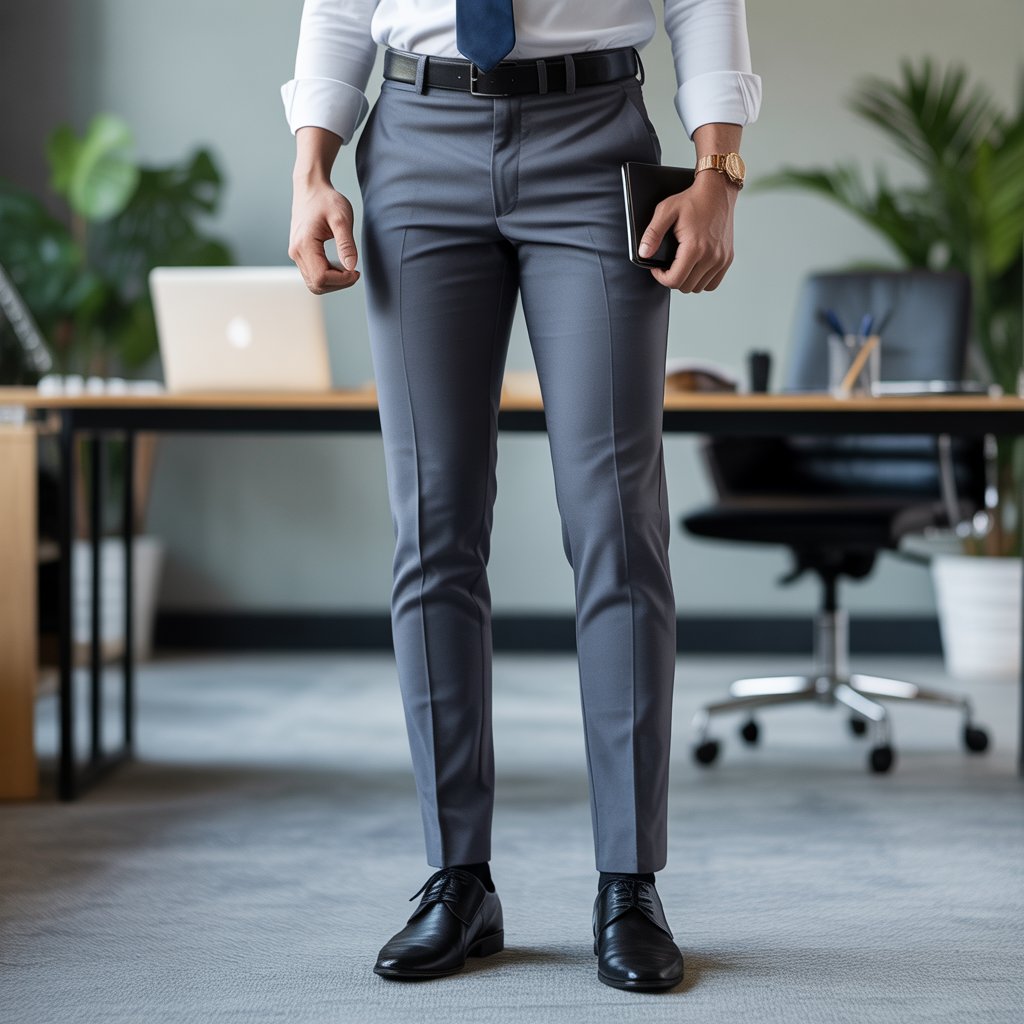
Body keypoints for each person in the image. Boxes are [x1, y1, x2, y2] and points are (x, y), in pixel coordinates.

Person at [282, 0, 761, 992]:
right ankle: (456, 880)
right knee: (432, 526)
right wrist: (310, 168)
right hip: (413, 143)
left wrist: (716, 171)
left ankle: (629, 883)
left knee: (616, 526)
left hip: (592, 144)